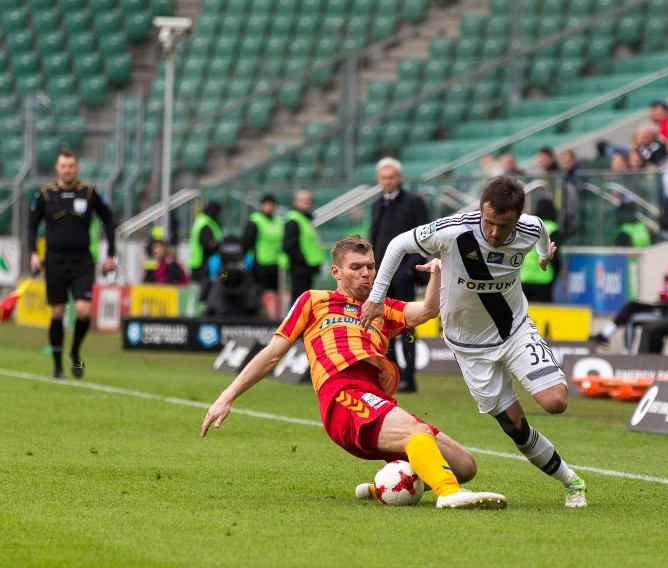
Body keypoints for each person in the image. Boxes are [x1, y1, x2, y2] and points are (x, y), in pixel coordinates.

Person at [200, 236, 507, 510]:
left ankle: (383, 487)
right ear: (336, 272)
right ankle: (448, 493)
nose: (366, 273)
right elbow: (271, 355)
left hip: (375, 398)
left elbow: (427, 311)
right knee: (418, 435)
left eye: (371, 266)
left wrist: (439, 271)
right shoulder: (314, 301)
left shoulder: (381, 308)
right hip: (341, 394)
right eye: (356, 267)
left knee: (465, 465)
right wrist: (226, 397)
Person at [360, 176, 588, 508]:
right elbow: (396, 245)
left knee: (556, 402)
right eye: (489, 222)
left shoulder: (531, 227)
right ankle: (571, 479)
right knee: (515, 428)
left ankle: (573, 484)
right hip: (468, 347)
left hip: (514, 331)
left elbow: (541, 238)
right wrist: (377, 297)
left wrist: (543, 258)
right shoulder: (455, 230)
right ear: (481, 209)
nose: (494, 233)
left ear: (518, 218)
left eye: (504, 225)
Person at [27, 149, 116, 379]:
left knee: (83, 310)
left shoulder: (89, 193)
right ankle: (57, 367)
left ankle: (75, 352)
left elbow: (109, 221)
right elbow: (31, 226)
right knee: (57, 311)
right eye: (63, 166)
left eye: (71, 166)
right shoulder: (45, 195)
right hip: (54, 261)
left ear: (77, 168)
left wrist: (111, 254)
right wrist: (33, 254)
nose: (67, 170)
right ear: (57, 168)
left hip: (82, 261)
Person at [369, 158, 429, 393]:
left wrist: (408, 269)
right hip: (381, 276)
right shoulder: (377, 205)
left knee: (407, 326)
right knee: (383, 326)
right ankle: (390, 373)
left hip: (403, 275)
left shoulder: (414, 203)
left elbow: (424, 238)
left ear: (400, 178)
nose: (387, 181)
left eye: (391, 177)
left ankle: (409, 376)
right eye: (384, 178)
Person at [591, 245, 668, 353]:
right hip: (665, 307)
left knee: (649, 328)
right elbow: (665, 295)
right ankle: (606, 334)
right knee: (631, 305)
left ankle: (644, 362)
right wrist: (667, 277)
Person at [282, 189, 325, 308]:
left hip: (307, 268)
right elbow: (288, 246)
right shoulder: (294, 220)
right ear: (296, 202)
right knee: (299, 301)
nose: (307, 204)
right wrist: (303, 260)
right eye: (304, 201)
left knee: (306, 301)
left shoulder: (305, 219)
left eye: (309, 201)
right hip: (300, 269)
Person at [243, 193, 286, 293]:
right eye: (267, 204)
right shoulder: (255, 220)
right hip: (260, 263)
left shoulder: (279, 222)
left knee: (275, 294)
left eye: (272, 205)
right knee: (260, 292)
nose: (269, 207)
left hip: (277, 264)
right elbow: (246, 242)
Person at [520, 198, 561, 303]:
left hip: (525, 277)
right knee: (543, 313)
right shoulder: (552, 228)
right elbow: (554, 255)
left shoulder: (530, 225)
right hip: (544, 278)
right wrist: (556, 272)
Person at [188, 201, 223, 293]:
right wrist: (219, 245)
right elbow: (208, 245)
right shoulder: (207, 224)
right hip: (204, 264)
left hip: (197, 262)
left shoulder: (201, 220)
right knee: (206, 288)